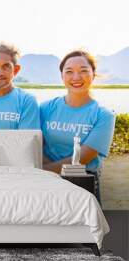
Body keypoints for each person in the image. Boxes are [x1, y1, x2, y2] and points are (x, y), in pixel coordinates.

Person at [40, 50, 116, 202]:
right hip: (46, 183)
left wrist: (43, 170)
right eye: (69, 71)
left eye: (83, 71)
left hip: (83, 182)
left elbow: (83, 157)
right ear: (62, 76)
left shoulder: (104, 115)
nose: (76, 77)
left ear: (93, 75)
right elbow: (35, 143)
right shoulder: (45, 108)